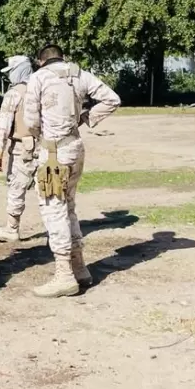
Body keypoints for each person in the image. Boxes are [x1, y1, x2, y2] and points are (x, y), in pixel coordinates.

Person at [24, 45, 120, 298]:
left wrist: (40, 135)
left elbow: (31, 121)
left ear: (40, 61)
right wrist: (86, 117)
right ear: (61, 57)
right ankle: (79, 268)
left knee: (53, 209)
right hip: (75, 147)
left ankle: (64, 274)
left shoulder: (38, 78)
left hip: (53, 152)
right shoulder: (79, 74)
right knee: (69, 206)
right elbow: (112, 99)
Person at [0, 55, 37, 245]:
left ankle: (12, 228)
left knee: (16, 187)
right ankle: (57, 229)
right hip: (48, 147)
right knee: (49, 191)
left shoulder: (14, 93)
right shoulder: (43, 87)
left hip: (22, 149)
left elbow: (3, 125)